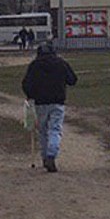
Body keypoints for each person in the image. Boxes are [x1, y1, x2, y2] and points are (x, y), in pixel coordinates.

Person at [20, 40, 78, 173]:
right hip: (58, 101)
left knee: (43, 131)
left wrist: (30, 95)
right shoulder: (61, 63)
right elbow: (73, 80)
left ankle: (45, 156)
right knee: (55, 129)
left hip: (40, 103)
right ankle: (52, 154)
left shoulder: (34, 65)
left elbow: (26, 84)